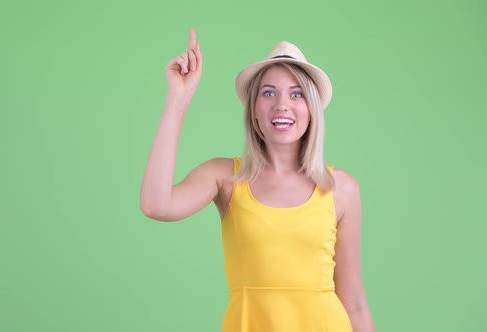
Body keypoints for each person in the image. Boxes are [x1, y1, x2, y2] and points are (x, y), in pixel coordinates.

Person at [140, 28, 375, 332]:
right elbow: (155, 205)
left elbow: (354, 303)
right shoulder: (225, 178)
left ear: (312, 110)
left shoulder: (341, 189)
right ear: (253, 110)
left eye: (297, 93)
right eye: (268, 93)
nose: (282, 105)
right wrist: (178, 97)